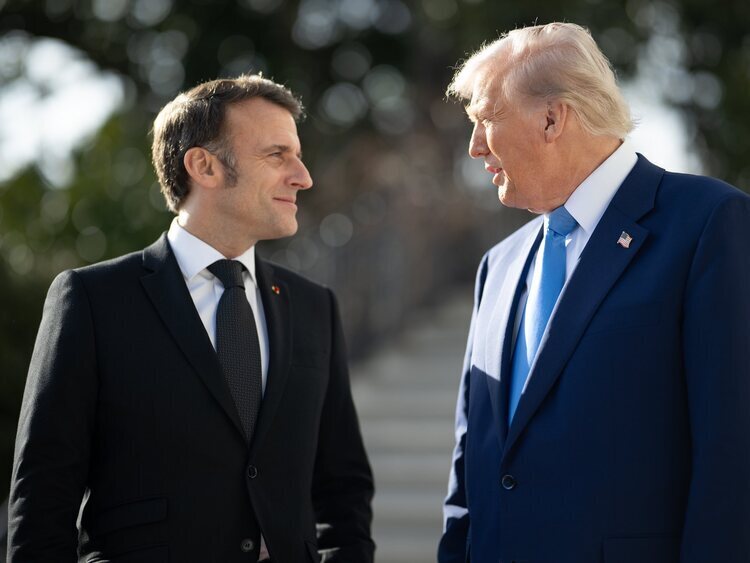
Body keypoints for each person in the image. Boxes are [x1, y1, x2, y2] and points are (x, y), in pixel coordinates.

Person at [8, 74, 375, 563]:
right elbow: (43, 494)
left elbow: (343, 490)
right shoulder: (93, 300)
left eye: (298, 155)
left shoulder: (314, 307)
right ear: (204, 166)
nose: (303, 176)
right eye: (277, 155)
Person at [439, 22, 750, 563]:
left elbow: (733, 454)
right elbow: (472, 468)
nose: (474, 147)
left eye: (486, 119)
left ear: (552, 118)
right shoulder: (499, 265)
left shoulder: (709, 223)